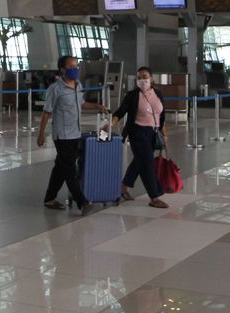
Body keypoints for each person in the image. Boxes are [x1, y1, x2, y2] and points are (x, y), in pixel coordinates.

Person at [37, 54, 109, 215]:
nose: (74, 69)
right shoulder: (55, 89)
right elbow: (46, 113)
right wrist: (41, 134)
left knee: (61, 168)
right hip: (62, 135)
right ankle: (82, 202)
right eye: (70, 67)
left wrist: (97, 106)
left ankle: (49, 198)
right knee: (70, 169)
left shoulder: (78, 85)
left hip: (75, 133)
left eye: (76, 66)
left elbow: (81, 103)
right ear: (62, 69)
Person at [110, 66, 169, 208]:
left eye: (145, 77)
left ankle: (123, 188)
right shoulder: (132, 95)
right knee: (147, 163)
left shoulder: (158, 94)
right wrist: (109, 125)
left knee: (139, 161)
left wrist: (164, 133)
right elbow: (120, 112)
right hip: (137, 132)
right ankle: (154, 196)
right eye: (139, 77)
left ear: (151, 78)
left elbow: (161, 115)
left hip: (153, 133)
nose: (142, 80)